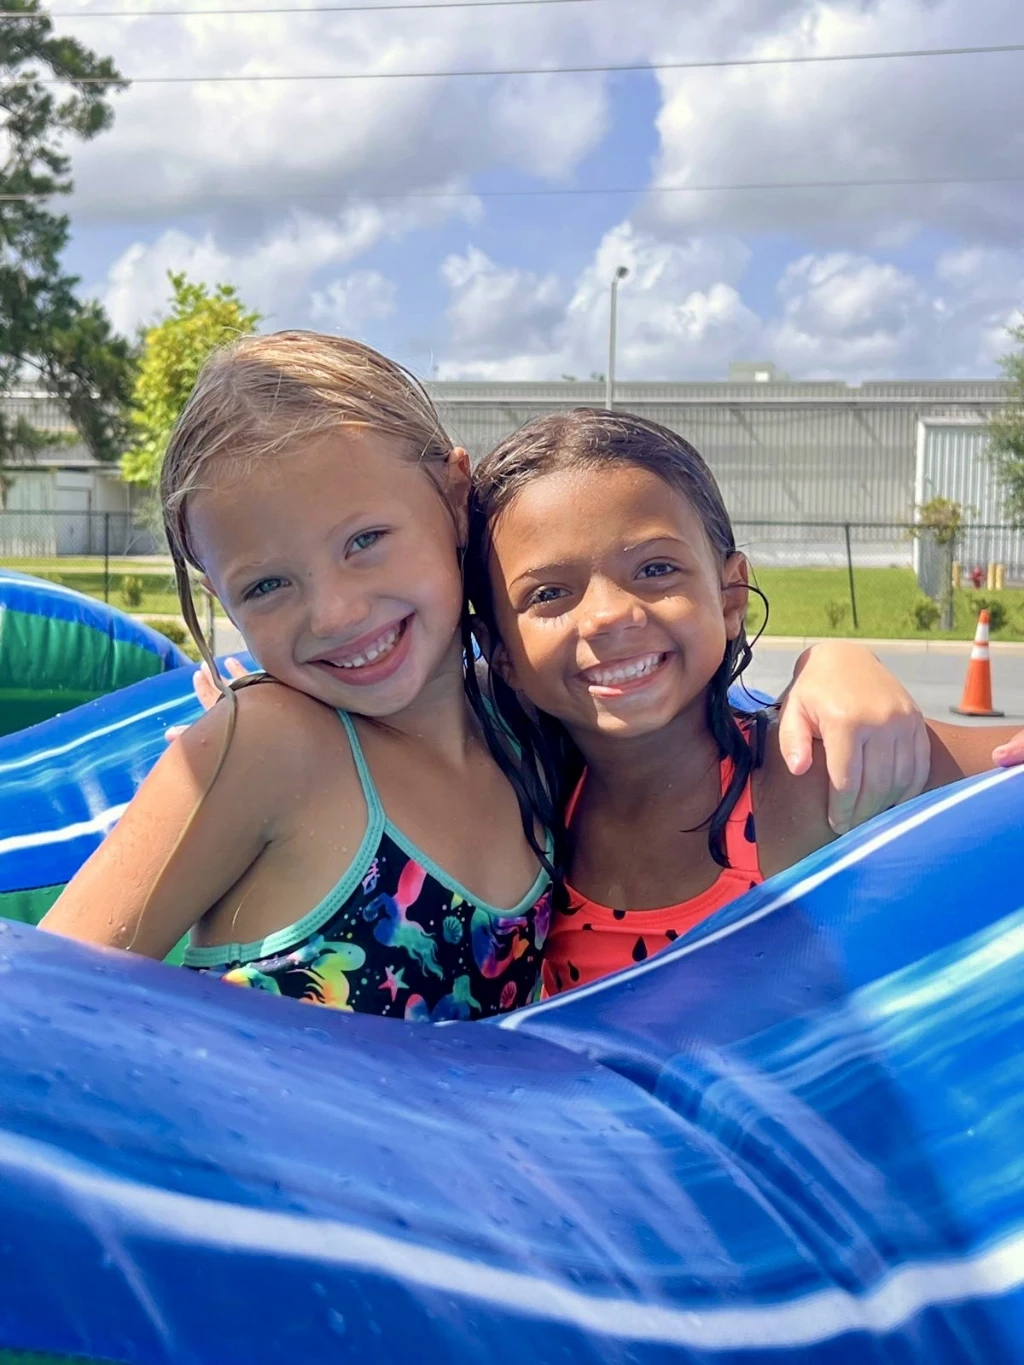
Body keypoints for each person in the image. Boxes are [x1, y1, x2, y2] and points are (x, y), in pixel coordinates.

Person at [39, 337, 941, 1018]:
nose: (338, 613)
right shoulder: (268, 745)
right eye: (267, 586)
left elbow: (696, 710)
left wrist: (835, 661)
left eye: (365, 542)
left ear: (454, 496)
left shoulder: (525, 727)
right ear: (217, 593)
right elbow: (39, 1003)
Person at [462, 408, 1024, 997]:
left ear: (731, 597)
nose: (610, 614)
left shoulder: (812, 772)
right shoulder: (531, 809)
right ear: (499, 651)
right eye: (549, 593)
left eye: (655, 569)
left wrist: (837, 657)